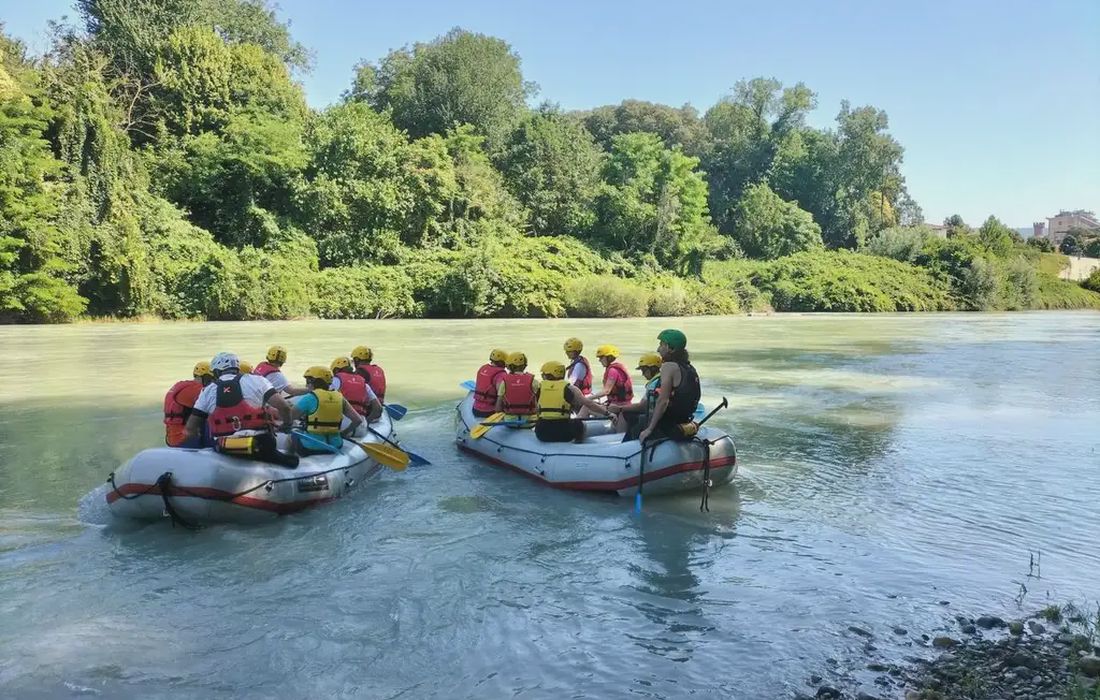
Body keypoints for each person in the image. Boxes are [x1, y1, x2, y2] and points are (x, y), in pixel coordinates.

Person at [184, 352, 298, 468]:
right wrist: (287, 425)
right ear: (237, 368)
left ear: (216, 372)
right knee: (292, 460)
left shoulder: (207, 391)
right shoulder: (258, 381)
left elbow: (190, 428)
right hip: (261, 445)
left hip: (224, 447)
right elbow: (284, 407)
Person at [638, 329, 702, 444]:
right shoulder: (689, 367)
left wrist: (649, 429)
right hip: (684, 421)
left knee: (637, 423)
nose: (658, 349)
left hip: (668, 425)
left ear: (670, 348)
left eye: (661, 345)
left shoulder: (669, 367)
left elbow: (663, 400)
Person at [290, 366, 364, 455]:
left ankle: (289, 459)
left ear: (313, 381)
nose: (306, 385)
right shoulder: (340, 398)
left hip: (312, 446)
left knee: (293, 434)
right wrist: (343, 433)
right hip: (336, 445)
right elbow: (358, 420)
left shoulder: (309, 398)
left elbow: (289, 417)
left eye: (308, 381)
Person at [534, 361, 611, 443]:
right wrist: (608, 413)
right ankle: (578, 445)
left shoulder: (539, 388)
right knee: (580, 424)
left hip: (542, 432)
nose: (543, 376)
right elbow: (589, 404)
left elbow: (536, 410)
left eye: (544, 374)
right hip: (564, 432)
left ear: (549, 375)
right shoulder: (571, 388)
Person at [607, 353, 663, 439]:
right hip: (656, 415)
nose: (642, 374)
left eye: (644, 370)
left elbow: (643, 406)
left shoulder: (654, 384)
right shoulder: (660, 380)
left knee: (624, 413)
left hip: (652, 418)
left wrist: (620, 408)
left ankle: (619, 439)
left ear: (652, 369)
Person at [164, 361, 214, 447]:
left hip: (173, 437)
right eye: (212, 379)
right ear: (206, 378)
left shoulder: (182, 385)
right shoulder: (195, 390)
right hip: (184, 439)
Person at [331, 357, 383, 421]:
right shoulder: (364, 383)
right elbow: (378, 408)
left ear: (336, 370)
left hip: (341, 422)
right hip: (361, 423)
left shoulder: (335, 380)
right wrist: (367, 422)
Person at [585, 345, 634, 411]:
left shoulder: (612, 370)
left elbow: (606, 391)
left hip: (617, 406)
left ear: (609, 357)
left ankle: (576, 421)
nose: (599, 360)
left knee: (586, 407)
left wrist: (588, 399)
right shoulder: (617, 368)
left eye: (601, 357)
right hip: (619, 404)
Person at [495, 351, 537, 416]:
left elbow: (498, 409)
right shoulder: (533, 381)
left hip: (510, 420)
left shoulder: (504, 382)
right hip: (529, 422)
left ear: (509, 366)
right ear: (525, 366)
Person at [472, 349, 509, 417]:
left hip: (475, 409)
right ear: (502, 362)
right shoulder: (501, 374)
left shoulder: (483, 368)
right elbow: (501, 395)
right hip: (489, 411)